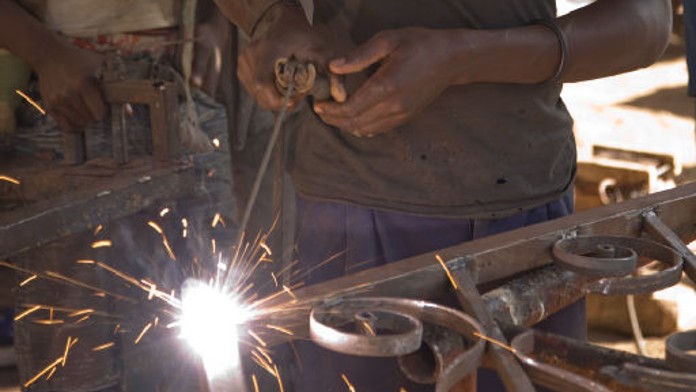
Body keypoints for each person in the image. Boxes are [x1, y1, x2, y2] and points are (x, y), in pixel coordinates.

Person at [214, 0, 672, 391]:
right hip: (346, 221)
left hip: (524, 227)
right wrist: (274, 18)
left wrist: (463, 59)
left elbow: (646, 19)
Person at [0, 1, 237, 390]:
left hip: (182, 99)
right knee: (75, 360)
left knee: (197, 339)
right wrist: (45, 53)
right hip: (70, 108)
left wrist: (215, 28)